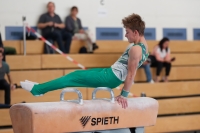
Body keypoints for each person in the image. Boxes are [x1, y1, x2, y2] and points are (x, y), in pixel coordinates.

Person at [20, 13, 149, 109]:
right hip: (110, 73)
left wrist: (124, 95)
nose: (125, 35)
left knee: (73, 77)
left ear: (136, 32)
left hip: (111, 77)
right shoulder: (144, 47)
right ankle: (40, 88)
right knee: (75, 75)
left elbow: (131, 74)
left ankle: (38, 90)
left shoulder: (135, 49)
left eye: (127, 32)